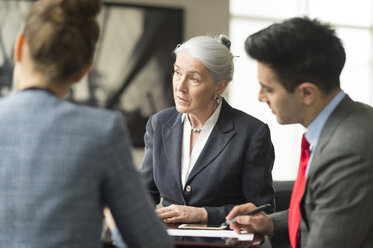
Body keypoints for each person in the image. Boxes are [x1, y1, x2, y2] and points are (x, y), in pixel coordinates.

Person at [0, 0, 173, 247]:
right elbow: (150, 243)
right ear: (84, 70)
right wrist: (114, 215)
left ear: (18, 47)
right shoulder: (102, 130)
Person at [226, 17, 373, 248]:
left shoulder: (346, 151)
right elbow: (326, 209)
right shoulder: (355, 117)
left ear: (307, 93)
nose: (260, 97)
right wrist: (271, 223)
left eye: (268, 88)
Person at [141, 35, 275, 225]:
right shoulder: (159, 123)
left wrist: (203, 214)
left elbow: (263, 210)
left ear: (219, 86)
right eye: (177, 72)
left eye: (193, 79)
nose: (180, 86)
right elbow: (145, 193)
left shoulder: (252, 133)